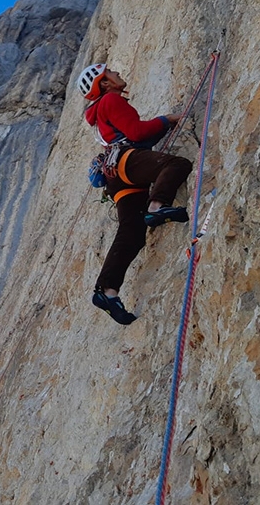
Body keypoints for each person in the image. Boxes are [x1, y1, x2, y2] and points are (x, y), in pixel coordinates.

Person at [78, 63, 193, 325]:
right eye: (111, 73)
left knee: (131, 233)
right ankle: (156, 207)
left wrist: (161, 126)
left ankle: (107, 291)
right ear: (104, 83)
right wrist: (166, 120)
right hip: (126, 162)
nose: (117, 73)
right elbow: (137, 133)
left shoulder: (99, 112)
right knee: (176, 164)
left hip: (114, 177)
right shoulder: (110, 101)